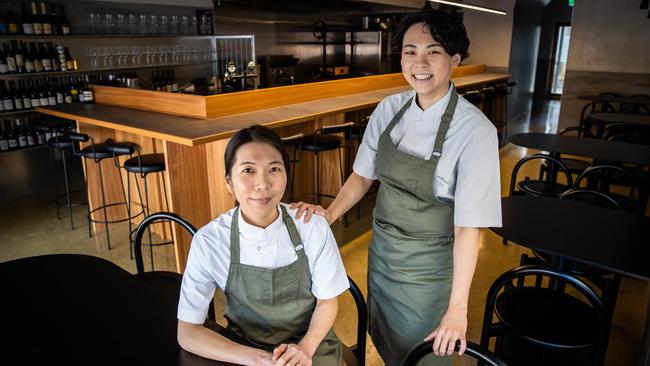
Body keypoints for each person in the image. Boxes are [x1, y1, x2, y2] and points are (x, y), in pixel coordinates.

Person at [293, 9, 502, 366]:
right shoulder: (389, 109)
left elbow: (469, 229)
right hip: (384, 254)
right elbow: (362, 176)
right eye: (410, 51)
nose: (419, 62)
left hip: (429, 268)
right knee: (387, 340)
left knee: (424, 355)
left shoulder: (475, 132)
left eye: (433, 51)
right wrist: (330, 213)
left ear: (454, 58)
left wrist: (456, 310)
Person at [177, 125, 350, 366]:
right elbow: (188, 332)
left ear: (286, 174)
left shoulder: (311, 226)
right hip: (244, 349)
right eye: (248, 170)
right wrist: (258, 359)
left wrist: (304, 349)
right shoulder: (209, 241)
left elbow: (327, 301)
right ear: (229, 181)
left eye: (274, 169)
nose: (262, 184)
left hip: (311, 344)